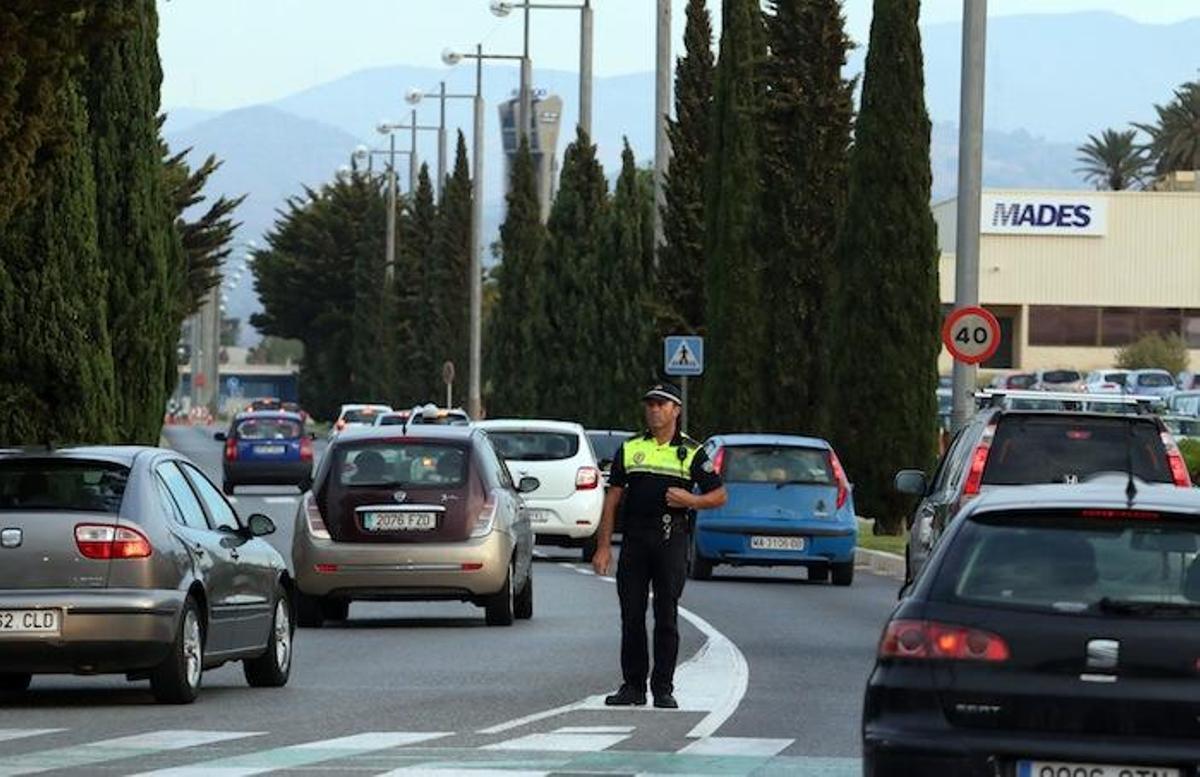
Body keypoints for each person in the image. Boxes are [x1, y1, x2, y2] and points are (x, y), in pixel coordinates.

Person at [592, 382, 728, 709]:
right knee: (632, 616)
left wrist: (691, 500)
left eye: (662, 404)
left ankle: (663, 688)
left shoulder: (692, 452)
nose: (655, 410)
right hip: (635, 541)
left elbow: (720, 494)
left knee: (666, 615)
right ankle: (633, 687)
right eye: (650, 404)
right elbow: (611, 501)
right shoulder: (631, 448)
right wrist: (603, 546)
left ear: (676, 411)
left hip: (671, 539)